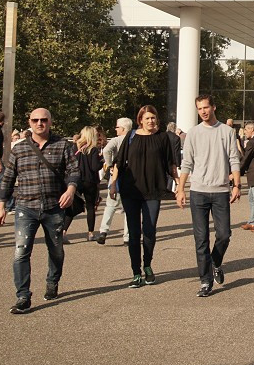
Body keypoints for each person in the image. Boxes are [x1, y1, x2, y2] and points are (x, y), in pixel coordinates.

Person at [0, 107, 80, 314]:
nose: (39, 123)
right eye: (35, 120)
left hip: (54, 206)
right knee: (21, 251)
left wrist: (70, 189)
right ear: (29, 122)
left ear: (50, 122)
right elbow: (7, 178)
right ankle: (23, 295)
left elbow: (74, 170)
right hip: (26, 207)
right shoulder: (19, 149)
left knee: (56, 250)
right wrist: (1, 206)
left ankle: (52, 281)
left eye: (43, 120)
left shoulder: (63, 145)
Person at [178, 95, 242, 297]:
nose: (203, 111)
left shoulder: (226, 131)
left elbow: (234, 159)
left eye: (206, 107)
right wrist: (180, 189)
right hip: (198, 191)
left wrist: (237, 185)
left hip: (221, 190)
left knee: (224, 234)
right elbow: (186, 162)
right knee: (201, 239)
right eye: (199, 109)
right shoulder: (193, 134)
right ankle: (205, 281)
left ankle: (215, 261)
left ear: (214, 107)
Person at [110, 105, 178, 288]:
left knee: (149, 231)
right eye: (147, 118)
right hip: (131, 191)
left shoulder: (163, 137)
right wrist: (113, 184)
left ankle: (147, 265)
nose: (150, 121)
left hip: (153, 190)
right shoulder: (131, 136)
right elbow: (119, 162)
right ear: (140, 119)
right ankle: (135, 272)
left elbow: (171, 164)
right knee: (133, 233)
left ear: (157, 119)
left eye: (153, 118)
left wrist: (179, 185)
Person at [63, 126, 103, 241]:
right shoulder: (93, 149)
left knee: (71, 207)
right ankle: (90, 233)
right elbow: (95, 167)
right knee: (90, 207)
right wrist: (101, 161)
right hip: (90, 181)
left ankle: (64, 231)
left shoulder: (74, 147)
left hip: (76, 180)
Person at [97, 118, 131, 245]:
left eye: (117, 127)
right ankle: (127, 237)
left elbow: (106, 150)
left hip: (116, 175)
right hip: (131, 177)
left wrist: (110, 164)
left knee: (110, 205)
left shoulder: (116, 140)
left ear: (122, 128)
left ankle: (103, 231)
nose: (115, 129)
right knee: (129, 208)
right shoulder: (134, 139)